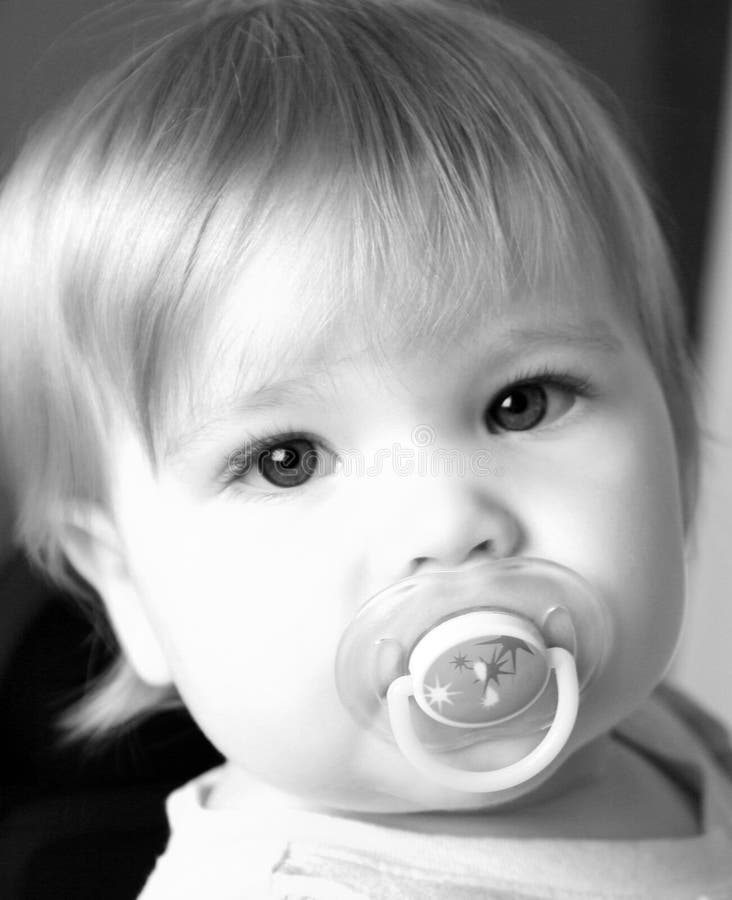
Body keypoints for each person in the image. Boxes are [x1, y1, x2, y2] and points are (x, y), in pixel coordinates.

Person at [1, 0, 731, 896]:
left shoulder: (659, 734)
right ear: (125, 588)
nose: (447, 521)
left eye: (522, 401)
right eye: (287, 459)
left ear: (677, 446)